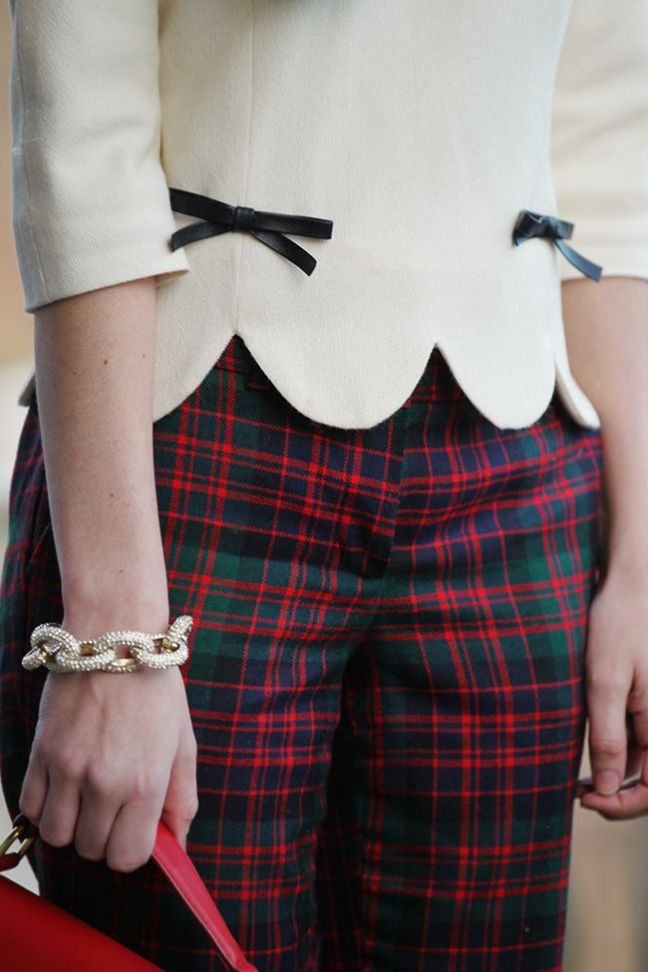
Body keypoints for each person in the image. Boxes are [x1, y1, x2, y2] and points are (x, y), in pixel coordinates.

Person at [1, 0, 647, 969]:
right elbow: (82, 109)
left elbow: (610, 141)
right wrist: (113, 631)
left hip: (518, 470)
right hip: (193, 451)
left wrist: (640, 553)